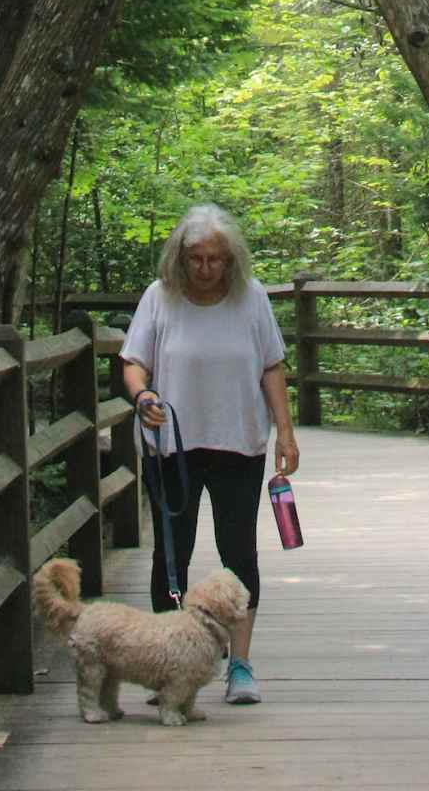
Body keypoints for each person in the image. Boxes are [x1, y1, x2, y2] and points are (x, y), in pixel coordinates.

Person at [119, 203, 299, 706]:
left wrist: (285, 432)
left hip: (238, 442)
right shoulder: (160, 299)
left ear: (230, 260)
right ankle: (166, 665)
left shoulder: (251, 299)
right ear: (179, 258)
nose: (204, 269)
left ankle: (239, 665)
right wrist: (142, 397)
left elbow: (271, 366)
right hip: (172, 448)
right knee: (170, 556)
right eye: (195, 259)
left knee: (238, 552)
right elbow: (133, 363)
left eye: (215, 260)